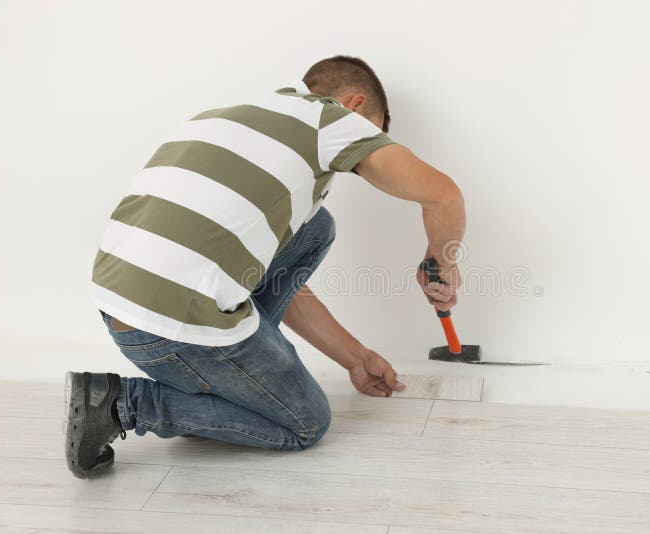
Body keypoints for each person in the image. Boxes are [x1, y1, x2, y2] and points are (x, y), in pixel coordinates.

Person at [64, 55, 466, 478]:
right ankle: (120, 404)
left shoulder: (226, 117)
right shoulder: (330, 120)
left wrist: (355, 357)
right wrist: (441, 261)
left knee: (316, 227)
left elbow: (265, 281)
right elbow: (443, 196)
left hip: (120, 308)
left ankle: (217, 397)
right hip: (169, 327)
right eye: (375, 131)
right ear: (354, 105)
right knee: (305, 422)